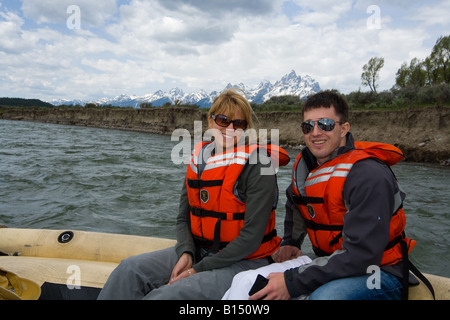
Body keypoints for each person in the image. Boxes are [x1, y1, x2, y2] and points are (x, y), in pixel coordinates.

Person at [224, 90, 418, 300]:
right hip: (330, 261)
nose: (315, 132)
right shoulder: (307, 167)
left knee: (324, 298)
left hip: (380, 271)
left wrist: (292, 283)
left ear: (344, 128)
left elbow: (362, 256)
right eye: (308, 126)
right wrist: (291, 242)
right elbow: (296, 201)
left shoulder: (368, 175)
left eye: (325, 124)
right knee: (245, 282)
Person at [97, 88, 289, 300]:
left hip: (246, 260)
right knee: (128, 270)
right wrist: (187, 252)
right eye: (223, 120)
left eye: (239, 123)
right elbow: (183, 217)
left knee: (166, 296)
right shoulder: (200, 160)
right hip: (200, 251)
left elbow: (251, 238)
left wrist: (199, 268)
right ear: (210, 121)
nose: (230, 128)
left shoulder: (257, 164)